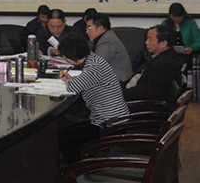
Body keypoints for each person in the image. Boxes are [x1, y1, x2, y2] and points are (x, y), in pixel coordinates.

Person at [57, 32, 129, 163]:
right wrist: (72, 80)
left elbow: (73, 87)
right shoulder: (93, 59)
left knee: (64, 139)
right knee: (66, 130)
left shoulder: (94, 67)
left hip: (108, 124)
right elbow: (82, 82)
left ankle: (78, 169)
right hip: (109, 119)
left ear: (71, 56)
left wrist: (71, 81)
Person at [123, 25, 184, 101]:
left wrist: (120, 94)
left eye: (150, 39)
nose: (146, 42)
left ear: (163, 43)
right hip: (132, 93)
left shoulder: (166, 63)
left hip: (142, 103)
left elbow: (151, 91)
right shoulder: (160, 57)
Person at [86, 14, 133, 83]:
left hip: (118, 82)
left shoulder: (107, 41)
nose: (87, 32)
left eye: (89, 28)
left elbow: (96, 67)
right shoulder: (105, 37)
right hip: (111, 79)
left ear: (100, 28)